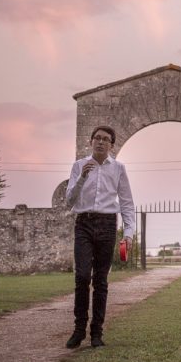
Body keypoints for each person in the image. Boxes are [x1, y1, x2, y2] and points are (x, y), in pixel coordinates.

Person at [64, 125, 135, 349]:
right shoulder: (78, 166)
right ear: (91, 141)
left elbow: (126, 202)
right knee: (82, 276)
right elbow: (69, 201)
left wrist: (129, 232)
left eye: (105, 139)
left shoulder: (118, 168)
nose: (100, 142)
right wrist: (82, 177)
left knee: (101, 280)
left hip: (106, 224)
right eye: (97, 138)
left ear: (111, 145)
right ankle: (78, 330)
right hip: (83, 223)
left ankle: (97, 333)